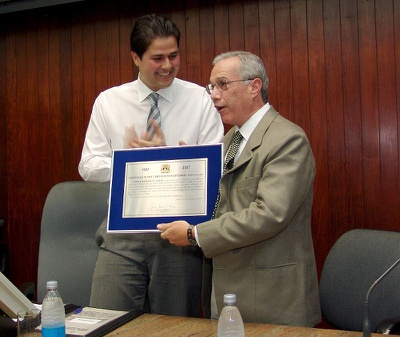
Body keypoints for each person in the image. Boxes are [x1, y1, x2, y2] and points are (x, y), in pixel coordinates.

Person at [157, 51, 321, 326]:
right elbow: (220, 201)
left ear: (254, 86)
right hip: (227, 294)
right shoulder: (230, 139)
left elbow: (268, 214)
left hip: (271, 298)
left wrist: (194, 233)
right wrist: (191, 174)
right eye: (211, 87)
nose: (213, 95)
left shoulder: (287, 139)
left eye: (222, 84)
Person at [78, 14, 224, 317]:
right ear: (136, 57)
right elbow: (88, 165)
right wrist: (132, 164)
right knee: (106, 322)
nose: (168, 65)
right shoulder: (109, 101)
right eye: (157, 57)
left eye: (174, 55)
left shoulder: (200, 99)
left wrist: (166, 158)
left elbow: (217, 167)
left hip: (179, 236)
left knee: (176, 328)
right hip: (121, 234)